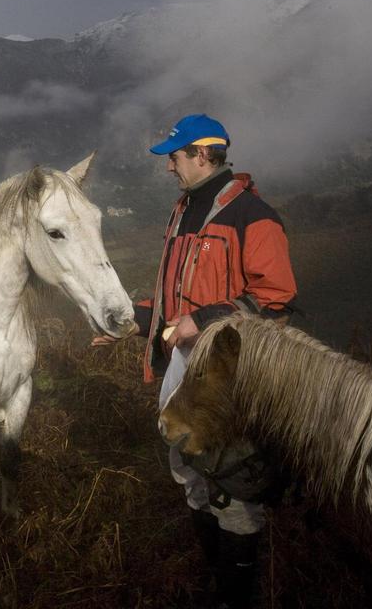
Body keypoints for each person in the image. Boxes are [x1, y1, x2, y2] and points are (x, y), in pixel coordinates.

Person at [96, 113, 297, 608]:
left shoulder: (253, 215)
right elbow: (175, 300)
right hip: (183, 372)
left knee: (233, 484)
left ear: (203, 154)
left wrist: (203, 321)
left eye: (176, 155)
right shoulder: (185, 212)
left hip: (226, 376)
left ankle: (237, 597)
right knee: (190, 475)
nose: (170, 166)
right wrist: (133, 323)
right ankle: (217, 580)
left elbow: (276, 298)